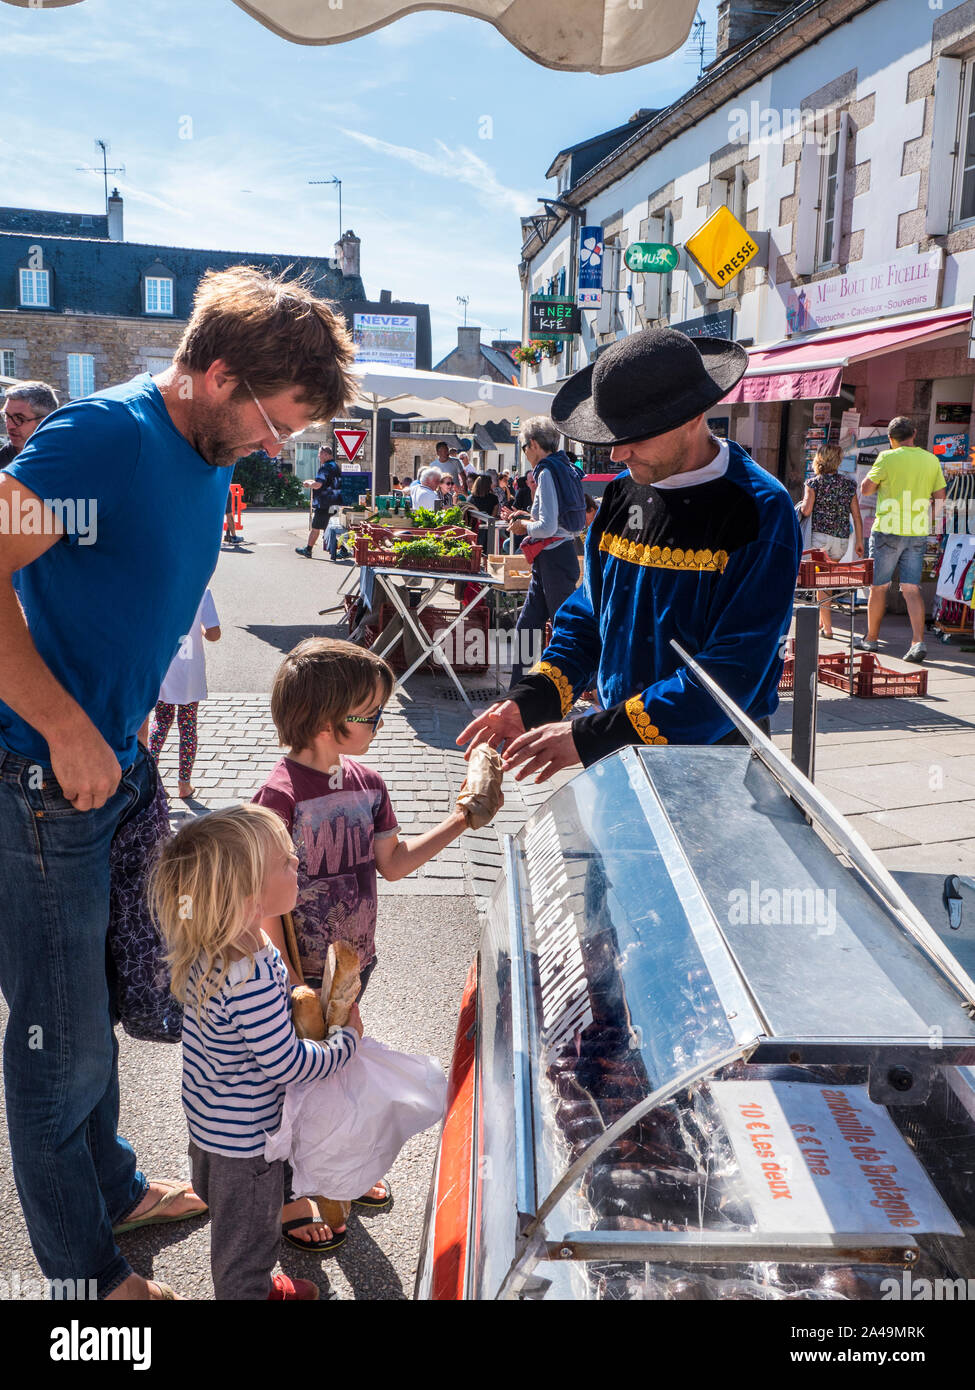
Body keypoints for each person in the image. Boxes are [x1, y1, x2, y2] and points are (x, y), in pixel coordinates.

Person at [0, 263, 357, 1301]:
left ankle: (109, 1186)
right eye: (271, 420)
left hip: (110, 766)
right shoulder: (104, 438)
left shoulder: (204, 445)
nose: (276, 446)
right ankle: (85, 1278)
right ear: (214, 373)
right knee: (53, 1041)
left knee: (100, 1000)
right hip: (38, 770)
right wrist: (65, 726)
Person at [458, 327, 801, 780]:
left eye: (634, 435)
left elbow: (730, 677)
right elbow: (587, 617)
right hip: (618, 754)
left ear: (693, 415)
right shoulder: (622, 495)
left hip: (716, 767)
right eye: (611, 436)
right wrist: (532, 699)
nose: (618, 453)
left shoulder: (760, 509)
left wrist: (589, 735)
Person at [252, 637, 490, 1252]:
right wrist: (286, 976)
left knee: (339, 1072)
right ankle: (290, 1194)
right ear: (329, 722)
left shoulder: (370, 781)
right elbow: (261, 898)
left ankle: (341, 1169)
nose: (381, 724)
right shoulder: (280, 798)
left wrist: (463, 818)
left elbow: (394, 862)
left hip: (352, 965)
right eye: (372, 715)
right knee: (289, 1085)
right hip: (296, 977)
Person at [150, 804, 362, 1301]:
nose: (298, 865)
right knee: (246, 1245)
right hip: (245, 1144)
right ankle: (251, 1291)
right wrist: (344, 1044)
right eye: (287, 862)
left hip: (211, 1127)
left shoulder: (215, 942)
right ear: (248, 893)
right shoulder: (245, 972)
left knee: (239, 1229)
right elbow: (286, 1064)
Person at [857, 416, 947, 663]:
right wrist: (930, 521)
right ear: (914, 433)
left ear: (890, 439)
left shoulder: (887, 457)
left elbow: (866, 489)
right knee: (911, 588)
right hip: (917, 531)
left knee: (878, 587)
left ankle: (871, 639)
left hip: (887, 528)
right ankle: (917, 642)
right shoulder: (931, 459)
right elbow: (941, 495)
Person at [505, 416, 586, 687]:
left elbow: (547, 526)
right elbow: (556, 520)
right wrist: (527, 516)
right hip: (552, 558)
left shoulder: (547, 471)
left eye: (525, 446)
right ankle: (519, 693)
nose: (525, 452)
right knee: (527, 627)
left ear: (535, 444)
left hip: (555, 559)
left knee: (564, 630)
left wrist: (523, 525)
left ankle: (584, 686)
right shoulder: (562, 466)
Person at [149, 587, 221, 799]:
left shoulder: (161, 588)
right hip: (189, 672)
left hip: (165, 667)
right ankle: (184, 783)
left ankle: (152, 780)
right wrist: (201, 629)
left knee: (160, 722)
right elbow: (214, 634)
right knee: (188, 726)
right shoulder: (202, 591)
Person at [799, 445, 863, 638]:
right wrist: (859, 541)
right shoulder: (848, 484)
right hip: (841, 540)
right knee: (826, 581)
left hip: (820, 539)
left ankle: (827, 628)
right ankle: (822, 622)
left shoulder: (813, 483)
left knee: (822, 584)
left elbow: (807, 511)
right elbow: (857, 515)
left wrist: (800, 505)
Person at [296, 444, 342, 558]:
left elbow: (318, 485)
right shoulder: (335, 466)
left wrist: (308, 484)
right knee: (331, 528)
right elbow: (327, 483)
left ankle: (308, 549)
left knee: (316, 527)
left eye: (320, 454)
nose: (318, 457)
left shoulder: (325, 467)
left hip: (324, 503)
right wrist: (313, 482)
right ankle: (343, 549)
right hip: (335, 501)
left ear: (326, 454)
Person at [0, 380, 59, 466]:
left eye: (19, 418)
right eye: (6, 416)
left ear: (45, 422)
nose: (9, 426)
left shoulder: (69, 460)